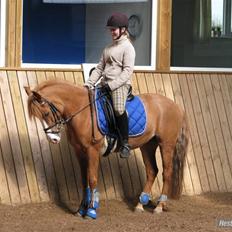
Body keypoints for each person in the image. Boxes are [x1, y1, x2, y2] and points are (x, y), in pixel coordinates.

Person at [84, 12, 136, 158]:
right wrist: (88, 84)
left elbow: (127, 72)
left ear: (123, 29)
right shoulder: (108, 48)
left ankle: (125, 143)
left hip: (120, 85)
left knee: (119, 108)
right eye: (110, 29)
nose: (112, 32)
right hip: (104, 84)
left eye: (114, 29)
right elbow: (99, 68)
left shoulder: (128, 48)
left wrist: (112, 85)